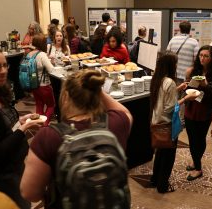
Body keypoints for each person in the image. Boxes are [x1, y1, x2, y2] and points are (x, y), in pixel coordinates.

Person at [20, 69, 133, 207]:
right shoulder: (117, 123)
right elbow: (125, 111)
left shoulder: (48, 136)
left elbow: (29, 193)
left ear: (66, 96)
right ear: (97, 94)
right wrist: (96, 89)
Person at [0, 50, 43, 209]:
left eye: (4, 65)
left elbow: (7, 128)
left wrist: (20, 121)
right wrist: (24, 128)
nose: (3, 71)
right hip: (3, 176)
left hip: (16, 165)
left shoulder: (1, 93)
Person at [149, 51, 197, 193]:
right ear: (170, 65)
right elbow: (170, 108)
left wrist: (178, 88)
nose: (176, 66)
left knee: (160, 153)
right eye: (175, 63)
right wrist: (186, 99)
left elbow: (162, 97)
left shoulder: (158, 78)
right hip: (167, 124)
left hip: (157, 121)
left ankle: (155, 179)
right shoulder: (169, 82)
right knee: (168, 156)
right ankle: (163, 185)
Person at [184, 45, 212, 180]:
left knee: (199, 140)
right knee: (191, 139)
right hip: (191, 108)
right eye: (201, 55)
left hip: (205, 110)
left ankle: (198, 168)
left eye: (206, 56)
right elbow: (188, 89)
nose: (202, 58)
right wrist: (187, 84)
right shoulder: (195, 70)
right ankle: (196, 161)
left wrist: (206, 86)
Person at [30, 34, 55, 126]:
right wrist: (51, 61)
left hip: (33, 84)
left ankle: (39, 124)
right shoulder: (42, 54)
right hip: (44, 85)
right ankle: (44, 125)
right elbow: (51, 69)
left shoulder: (30, 53)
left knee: (39, 105)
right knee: (51, 105)